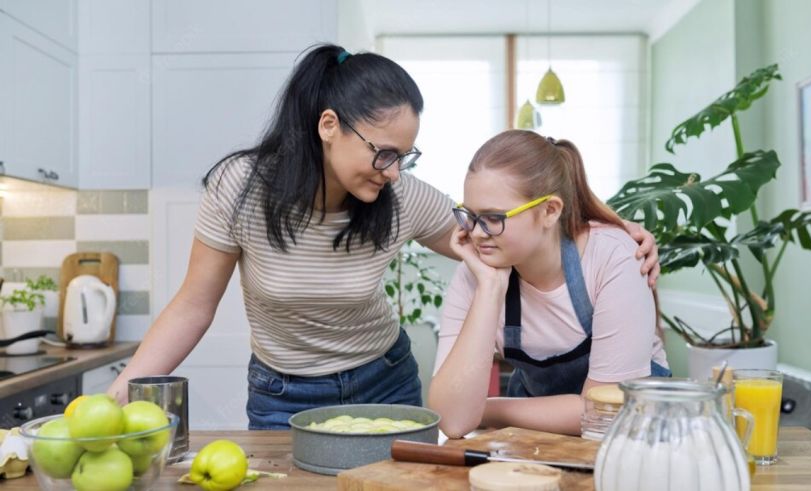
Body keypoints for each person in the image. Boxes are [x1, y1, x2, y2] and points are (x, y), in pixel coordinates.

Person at [108, 44, 660, 430]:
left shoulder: (400, 199)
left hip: (385, 381)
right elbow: (192, 307)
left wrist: (612, 229)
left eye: (405, 156)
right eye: (385, 153)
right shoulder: (240, 189)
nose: (394, 171)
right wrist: (120, 393)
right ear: (330, 127)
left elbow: (509, 228)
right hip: (282, 392)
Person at [429, 130, 670, 439]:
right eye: (471, 216)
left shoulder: (612, 257)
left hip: (631, 437)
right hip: (535, 440)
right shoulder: (476, 272)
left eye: (493, 218)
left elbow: (605, 415)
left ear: (549, 211)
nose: (476, 234)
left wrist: (488, 410)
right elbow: (452, 420)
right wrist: (489, 288)